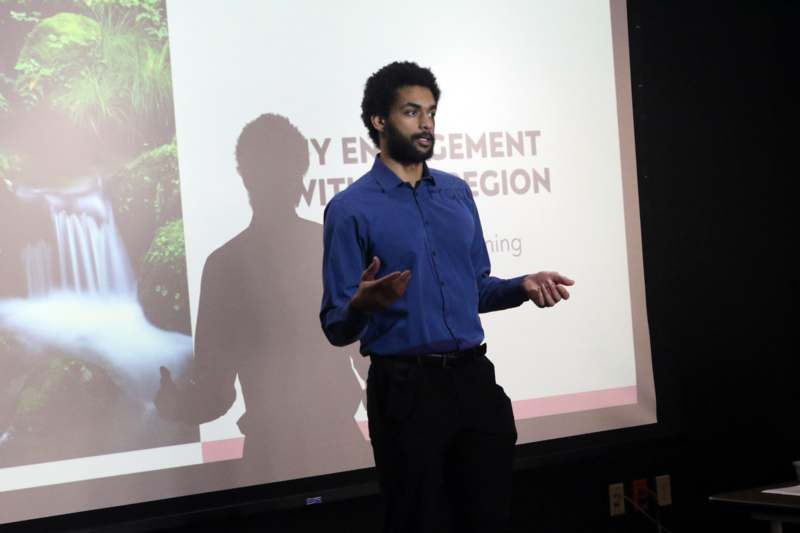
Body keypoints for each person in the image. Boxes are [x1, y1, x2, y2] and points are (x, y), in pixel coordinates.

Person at [319, 61, 575, 533]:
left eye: (431, 112)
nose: (426, 124)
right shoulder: (351, 209)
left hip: (474, 382)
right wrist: (362, 305)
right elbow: (336, 324)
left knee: (489, 517)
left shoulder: (456, 195)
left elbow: (476, 288)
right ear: (379, 120)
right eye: (412, 112)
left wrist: (521, 286)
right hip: (406, 392)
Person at [155, 114, 371, 484]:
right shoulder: (333, 247)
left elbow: (215, 394)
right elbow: (372, 360)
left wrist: (176, 406)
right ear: (301, 174)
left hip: (271, 469)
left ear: (244, 176)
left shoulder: (225, 265)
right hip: (341, 456)